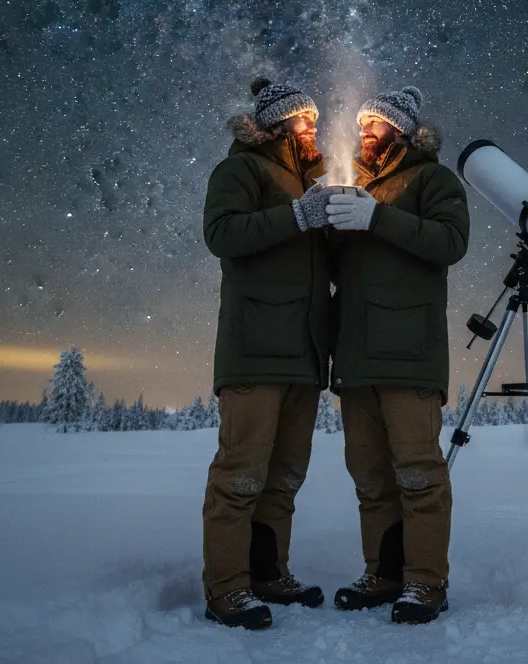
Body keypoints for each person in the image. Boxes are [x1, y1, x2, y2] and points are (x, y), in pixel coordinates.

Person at [325, 85, 470, 624]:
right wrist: (329, 223)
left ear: (403, 128)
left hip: (410, 355)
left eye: (376, 121)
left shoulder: (435, 180)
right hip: (358, 358)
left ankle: (426, 583)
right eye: (362, 120)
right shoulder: (357, 186)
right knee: (369, 475)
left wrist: (377, 218)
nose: (365, 127)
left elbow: (450, 243)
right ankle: (383, 574)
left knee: (418, 473)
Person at [201, 76, 335, 630]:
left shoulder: (310, 180)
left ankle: (267, 572)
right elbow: (222, 234)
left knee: (283, 478)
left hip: (303, 355)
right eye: (303, 118)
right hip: (255, 350)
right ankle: (226, 589)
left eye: (313, 118)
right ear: (278, 122)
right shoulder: (243, 169)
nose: (312, 126)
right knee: (241, 476)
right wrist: (296, 216)